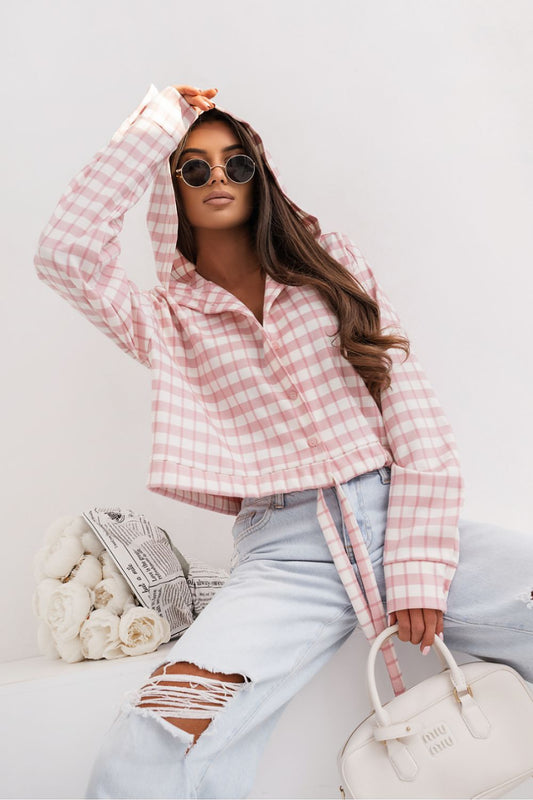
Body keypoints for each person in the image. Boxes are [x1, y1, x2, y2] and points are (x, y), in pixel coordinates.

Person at [34, 83, 533, 799]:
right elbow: (65, 252)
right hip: (286, 559)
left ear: (258, 175)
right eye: (194, 167)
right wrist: (158, 123)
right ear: (170, 186)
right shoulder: (163, 322)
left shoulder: (330, 267)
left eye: (236, 164)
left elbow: (413, 413)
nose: (218, 178)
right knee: (158, 730)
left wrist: (417, 563)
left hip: (397, 517)